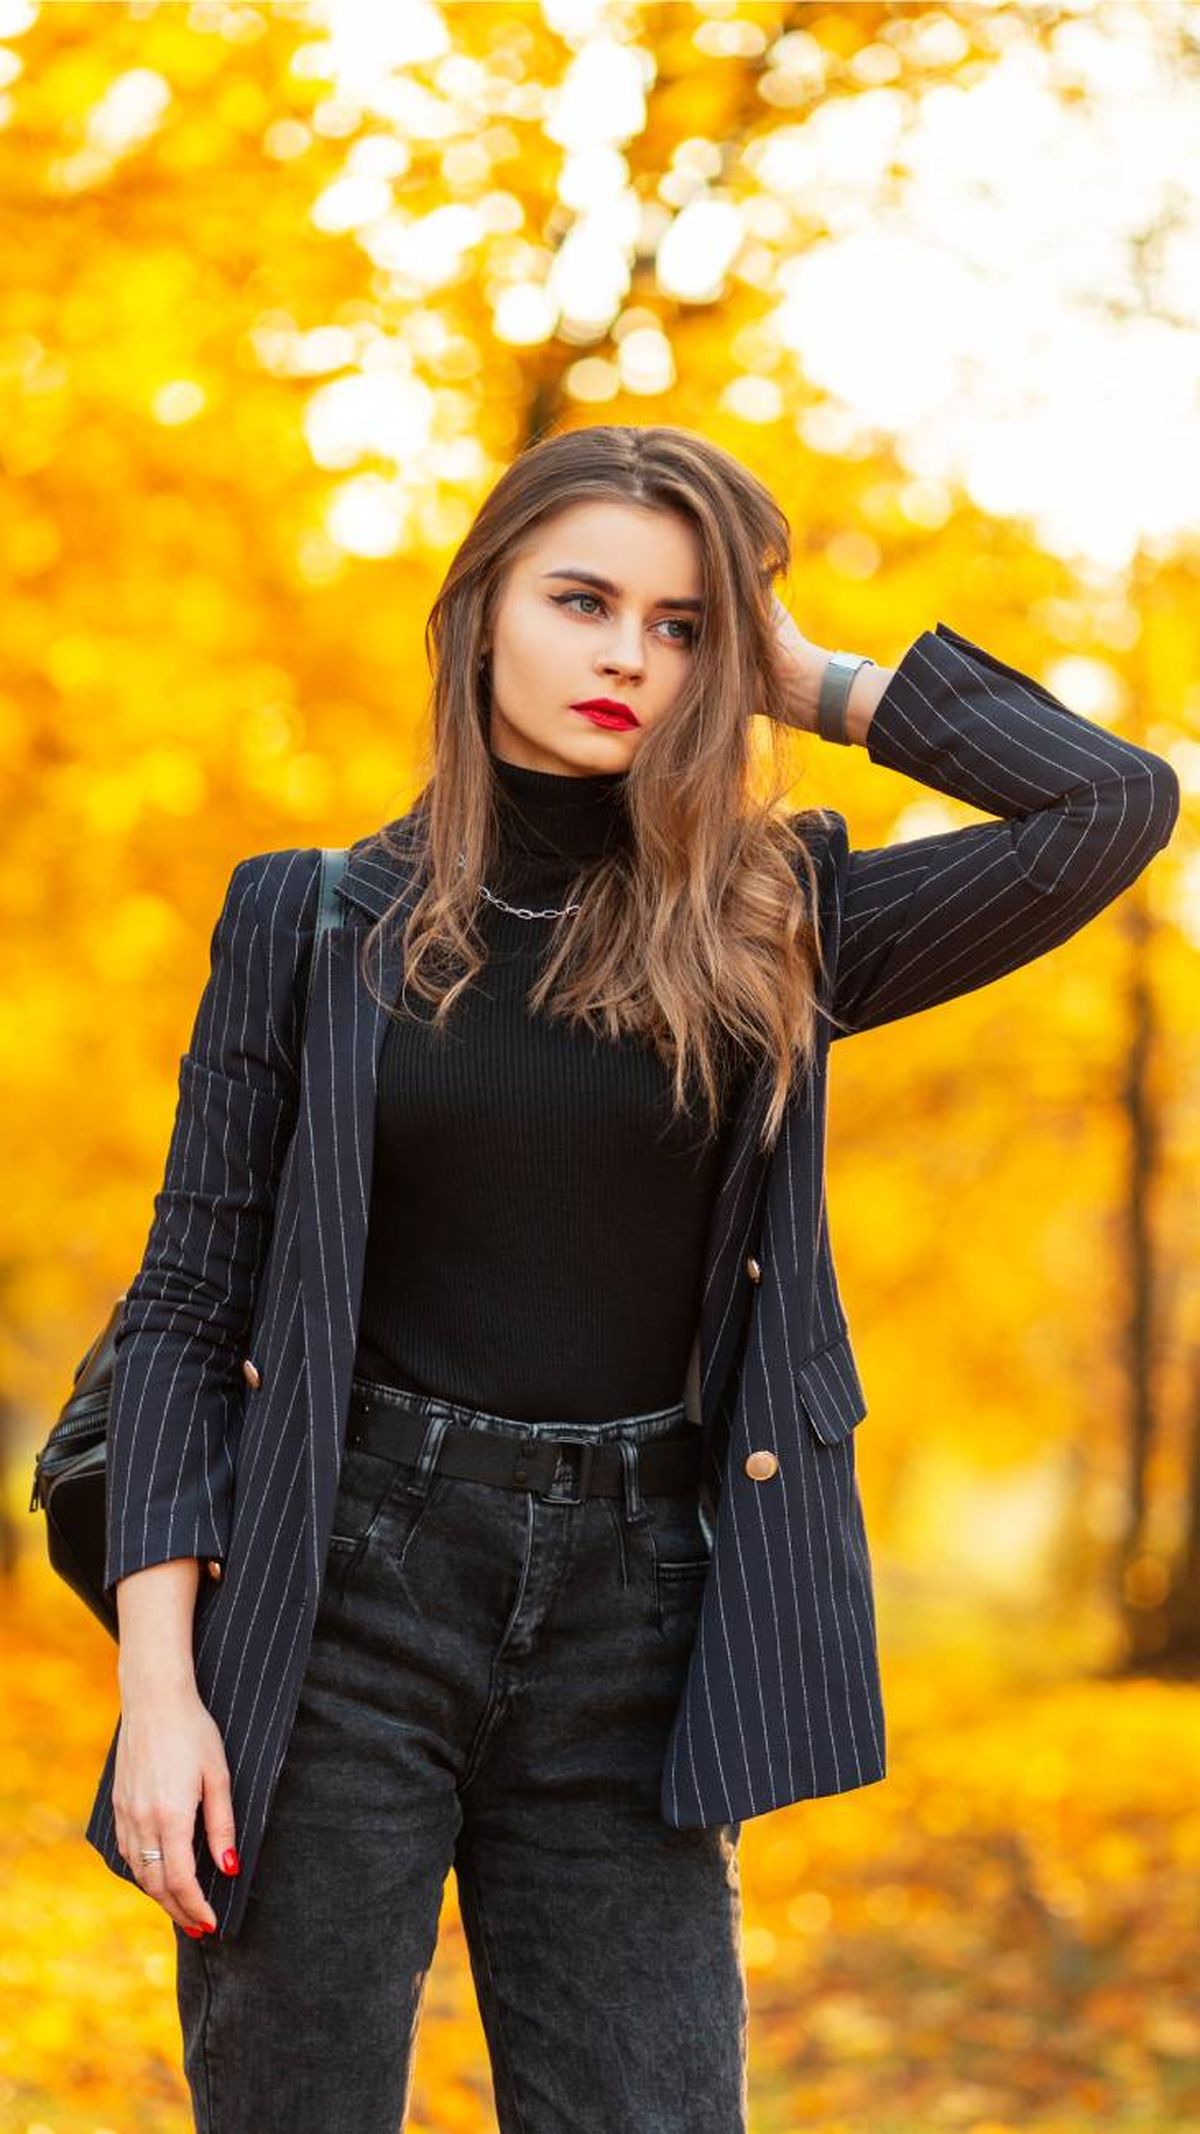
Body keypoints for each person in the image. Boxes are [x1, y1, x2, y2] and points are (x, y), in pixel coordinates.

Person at [85, 423, 1180, 2134]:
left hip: (638, 1618)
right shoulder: (307, 922)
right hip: (343, 1595)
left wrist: (803, 673)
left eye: (684, 628)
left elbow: (1114, 803)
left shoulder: (773, 924)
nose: (632, 656)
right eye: (584, 600)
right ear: (480, 616)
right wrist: (162, 1696)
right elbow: (179, 1316)